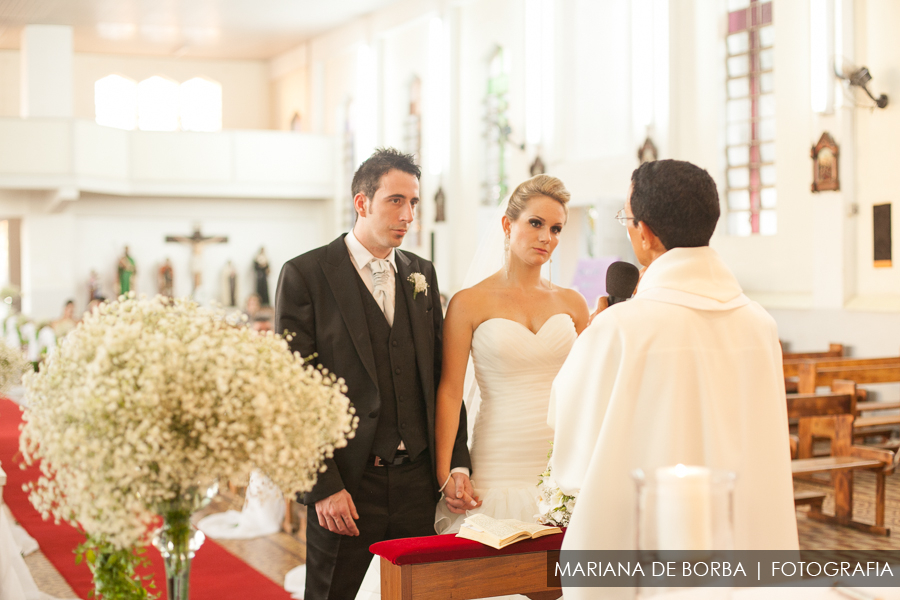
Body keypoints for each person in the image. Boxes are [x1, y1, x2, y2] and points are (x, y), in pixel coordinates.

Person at [550, 160, 797, 598]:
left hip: (647, 553)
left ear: (644, 232)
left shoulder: (620, 328)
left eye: (627, 220)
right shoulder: (760, 325)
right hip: (745, 545)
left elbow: (572, 439)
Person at [275, 148, 472, 600]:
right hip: (348, 484)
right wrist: (323, 486)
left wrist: (455, 462)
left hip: (418, 482)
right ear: (362, 202)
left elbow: (445, 380)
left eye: (414, 203)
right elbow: (293, 393)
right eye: (396, 201)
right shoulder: (306, 274)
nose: (408, 215)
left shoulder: (422, 274)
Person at [434, 174, 589, 534]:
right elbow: (450, 390)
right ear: (507, 224)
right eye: (536, 223)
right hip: (498, 457)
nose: (546, 237)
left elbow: (588, 386)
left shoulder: (572, 303)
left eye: (556, 228)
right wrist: (446, 472)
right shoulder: (468, 302)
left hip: (558, 458)